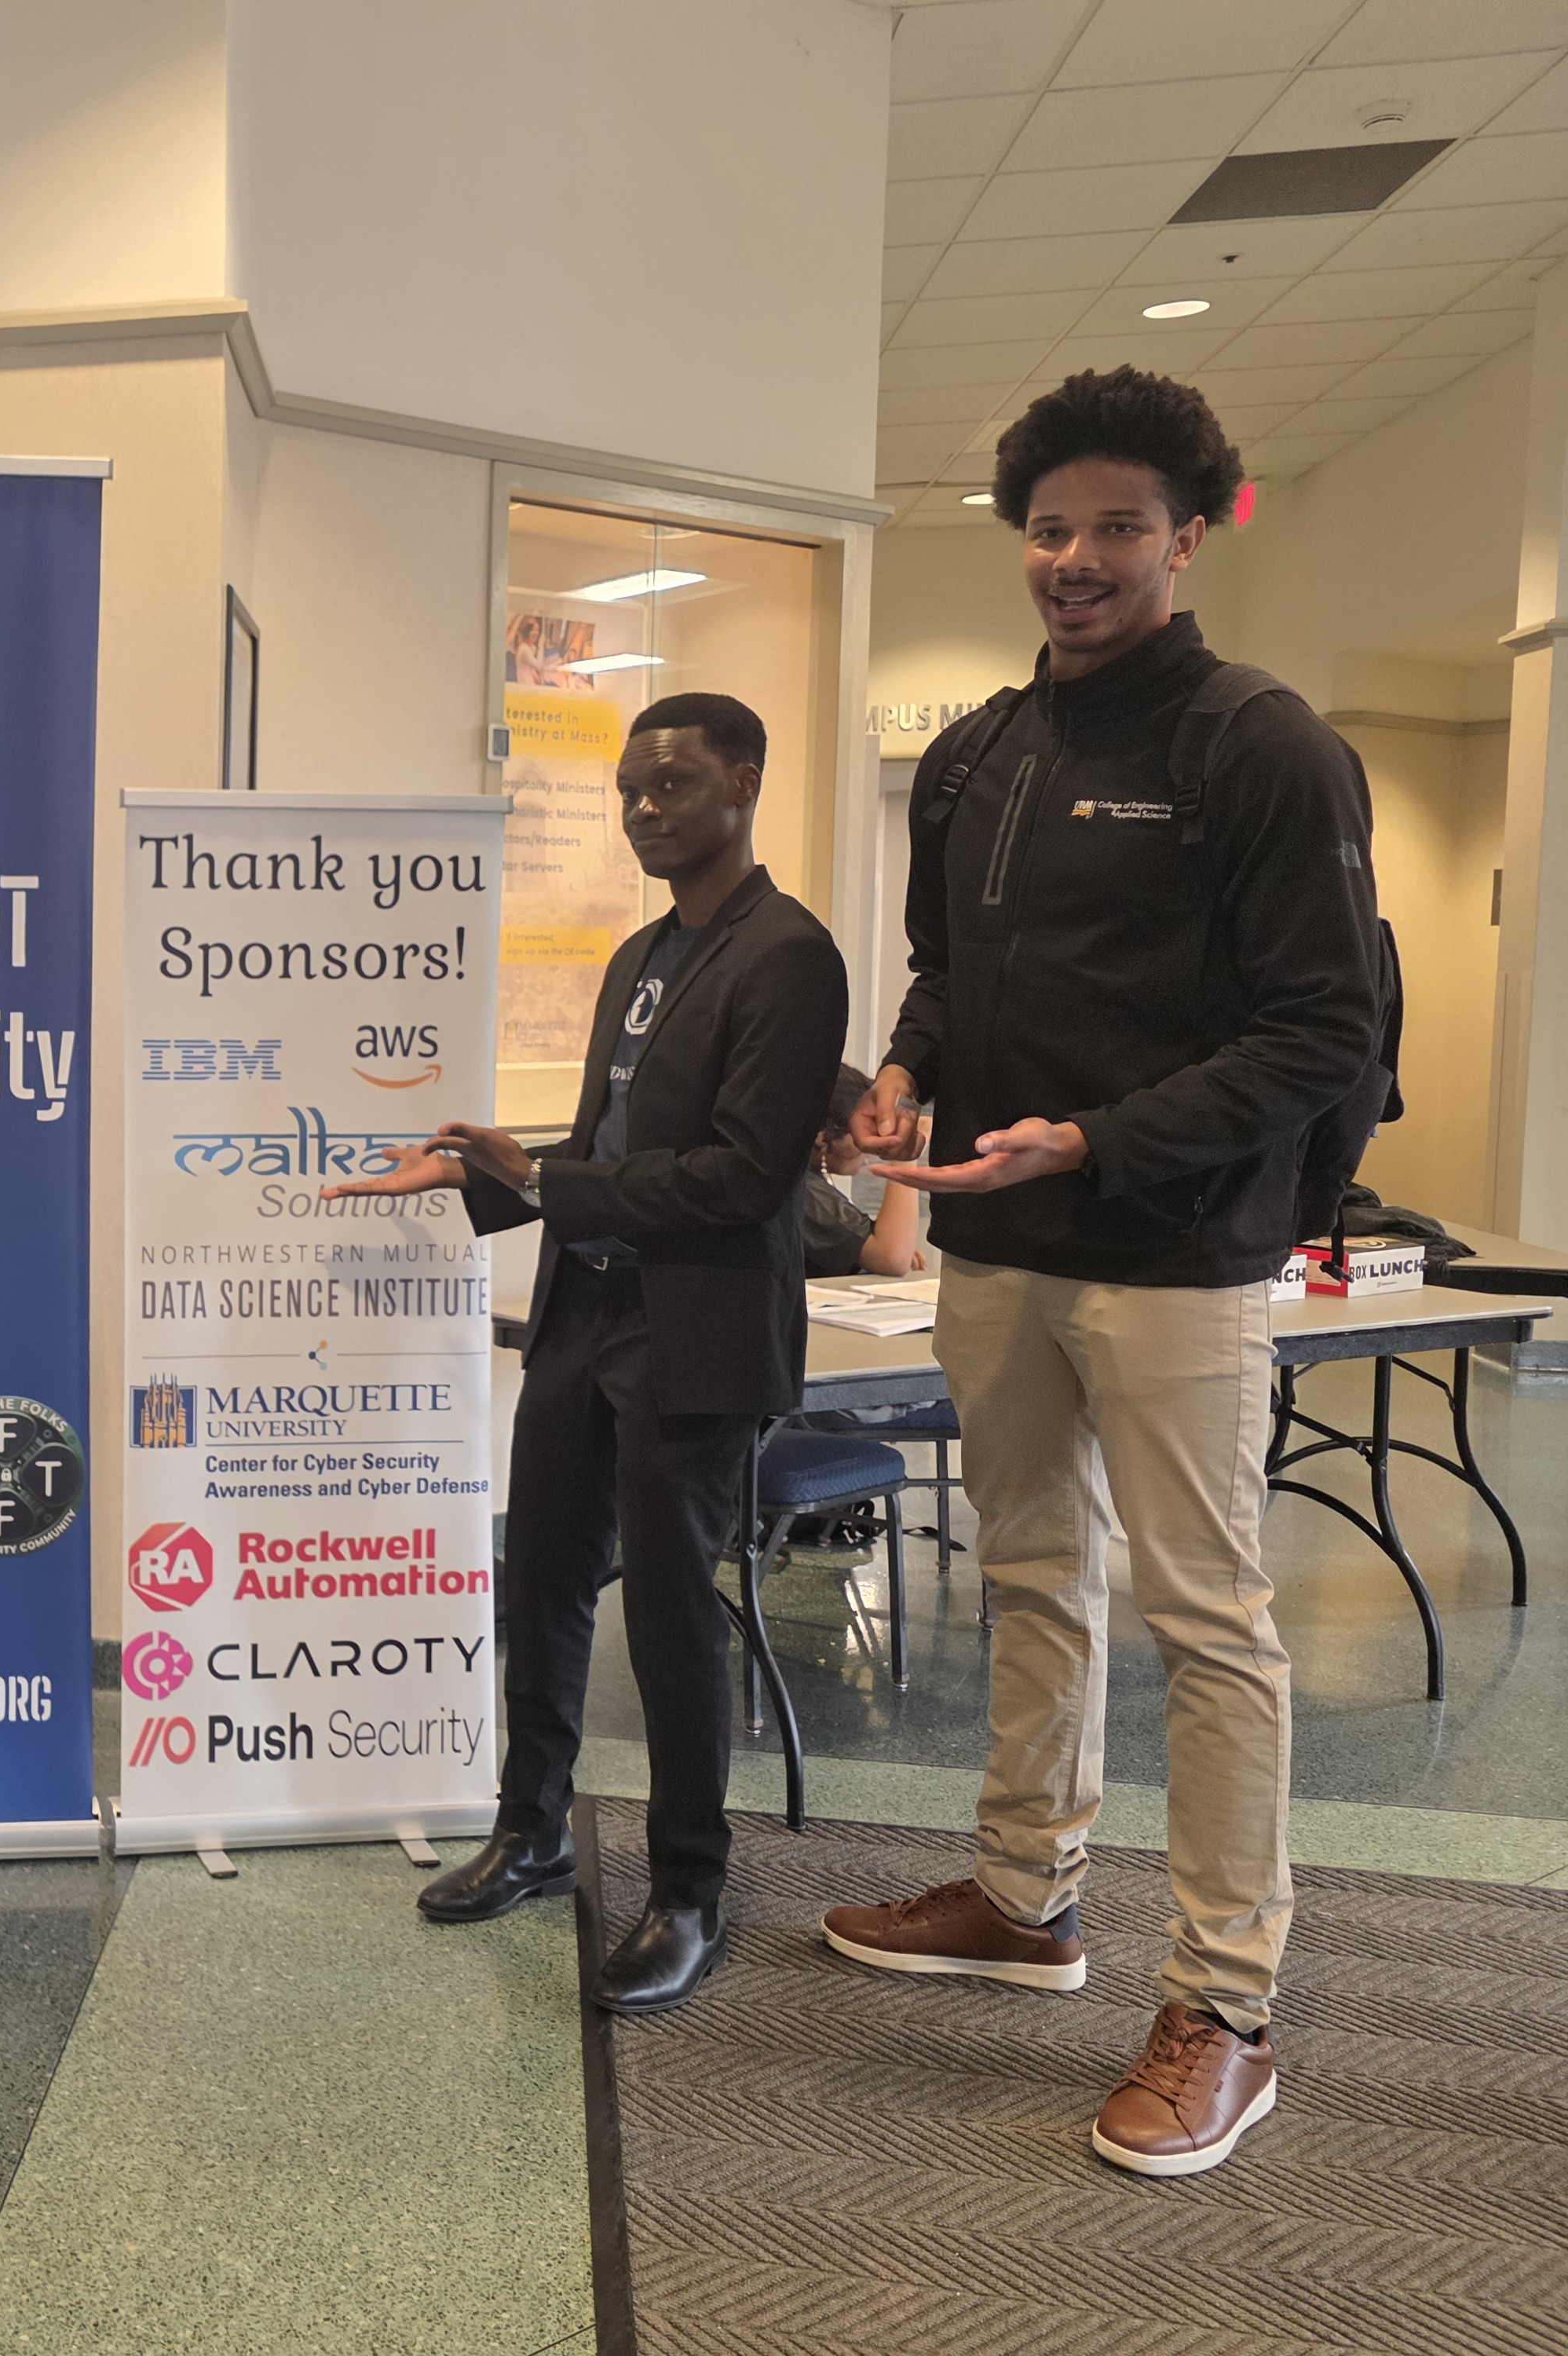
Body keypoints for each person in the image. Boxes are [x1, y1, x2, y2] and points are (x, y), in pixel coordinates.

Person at [828, 368, 1381, 2179]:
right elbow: (941, 975)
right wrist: (908, 1069)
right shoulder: (983, 749)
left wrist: (1098, 1137)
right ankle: (1021, 1895)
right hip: (994, 1249)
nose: (1075, 558)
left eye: (1116, 525)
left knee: (1207, 1626)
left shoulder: (1258, 742)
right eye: (1050, 527)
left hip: (1175, 1252)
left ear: (1190, 529)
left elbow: (1320, 1028)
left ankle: (1224, 2005)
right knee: (1028, 1580)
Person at [327, 693, 844, 2012]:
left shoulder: (789, 955)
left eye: (670, 784)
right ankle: (534, 1829)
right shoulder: (642, 955)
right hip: (586, 1316)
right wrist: (480, 1174)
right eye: (627, 790)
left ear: (744, 782)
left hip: (696, 1333)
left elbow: (740, 1177)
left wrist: (553, 1186)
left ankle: (688, 1892)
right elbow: (602, 1152)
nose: (642, 810)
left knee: (672, 1616)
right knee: (543, 1578)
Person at [805, 1063, 925, 1280]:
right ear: (822, 1138)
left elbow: (891, 1251)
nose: (872, 1146)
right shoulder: (803, 1189)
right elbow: (892, 1258)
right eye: (862, 1129)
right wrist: (903, 1149)